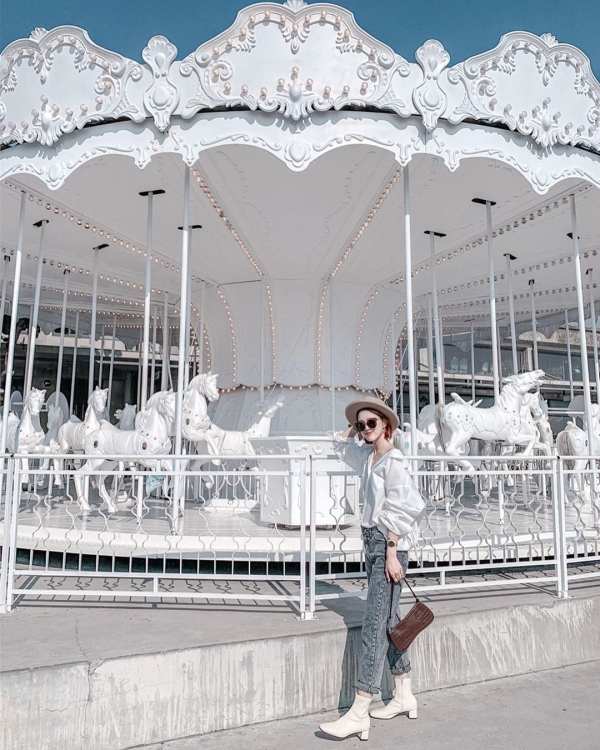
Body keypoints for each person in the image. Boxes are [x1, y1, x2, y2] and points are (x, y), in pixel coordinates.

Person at [319, 396, 425, 742]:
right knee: (390, 619)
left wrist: (392, 551)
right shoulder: (368, 456)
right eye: (360, 424)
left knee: (374, 625)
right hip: (372, 542)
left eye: (371, 423)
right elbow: (338, 446)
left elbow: (407, 505)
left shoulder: (394, 460)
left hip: (387, 545)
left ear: (386, 426)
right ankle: (404, 692)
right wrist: (352, 426)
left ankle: (360, 709)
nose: (365, 429)